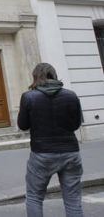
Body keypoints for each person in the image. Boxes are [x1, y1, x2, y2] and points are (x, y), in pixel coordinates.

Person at [18, 63, 83, 217]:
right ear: (53, 75)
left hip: (42, 153)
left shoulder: (29, 96)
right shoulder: (71, 95)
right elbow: (76, 124)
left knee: (34, 197)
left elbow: (23, 125)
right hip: (70, 151)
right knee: (73, 200)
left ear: (35, 76)